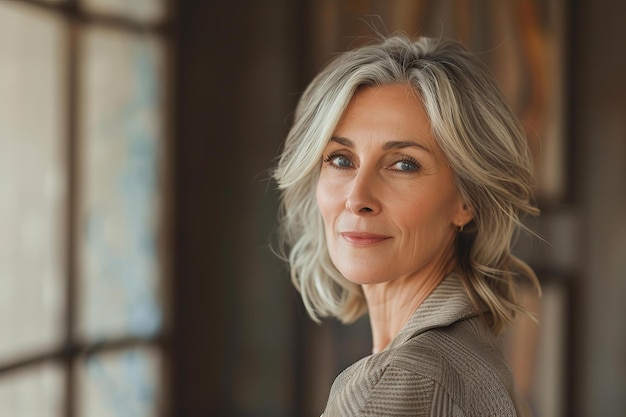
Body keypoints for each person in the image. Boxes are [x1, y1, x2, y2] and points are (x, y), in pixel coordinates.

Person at [273, 35, 540, 416]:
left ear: (467, 200)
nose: (357, 197)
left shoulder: (406, 382)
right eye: (340, 159)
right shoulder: (468, 359)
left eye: (403, 164)